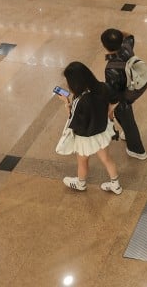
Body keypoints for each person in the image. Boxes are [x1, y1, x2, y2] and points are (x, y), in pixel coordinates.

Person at [56, 61, 122, 194]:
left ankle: (81, 183)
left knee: (82, 162)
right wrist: (107, 113)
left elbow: (73, 122)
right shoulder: (102, 87)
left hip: (85, 138)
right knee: (107, 159)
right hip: (101, 132)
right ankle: (116, 185)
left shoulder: (79, 100)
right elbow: (116, 100)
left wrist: (66, 104)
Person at [101, 28, 147, 161]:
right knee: (126, 119)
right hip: (135, 84)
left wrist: (110, 109)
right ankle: (127, 134)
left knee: (126, 119)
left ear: (104, 45)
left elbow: (114, 92)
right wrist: (119, 33)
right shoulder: (126, 47)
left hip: (125, 94)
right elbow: (130, 35)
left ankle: (137, 150)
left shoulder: (111, 68)